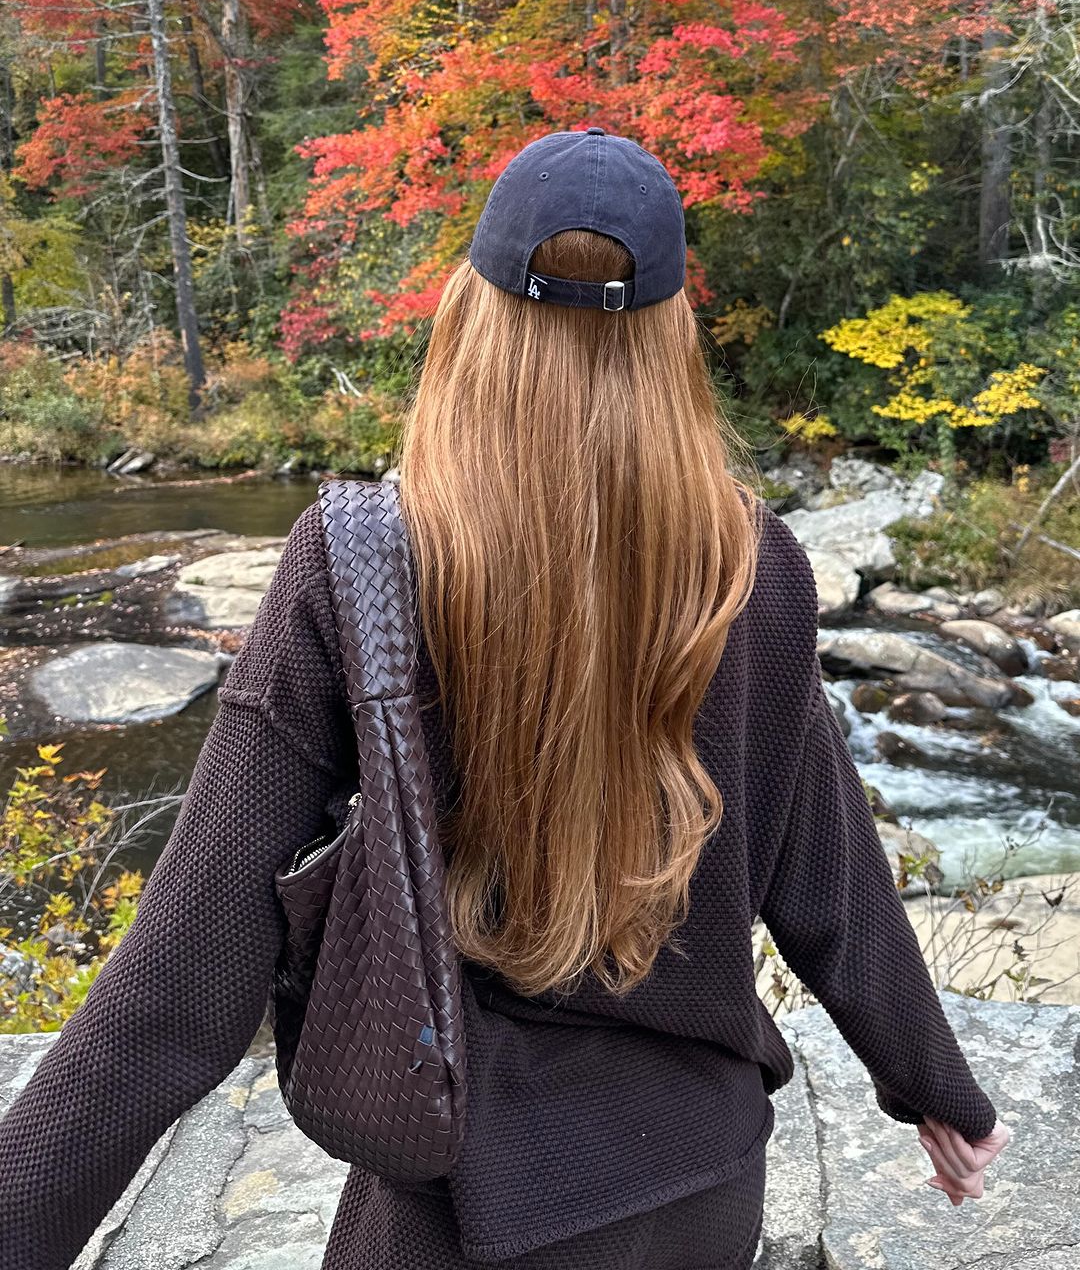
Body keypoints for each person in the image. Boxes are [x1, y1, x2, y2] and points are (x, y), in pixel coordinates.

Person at [0, 127, 1010, 1270]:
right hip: (704, 1189)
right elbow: (830, 880)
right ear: (674, 337)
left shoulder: (363, 565)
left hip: (473, 1210)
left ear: (470, 317)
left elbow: (182, 985)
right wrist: (939, 1089)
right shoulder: (750, 564)